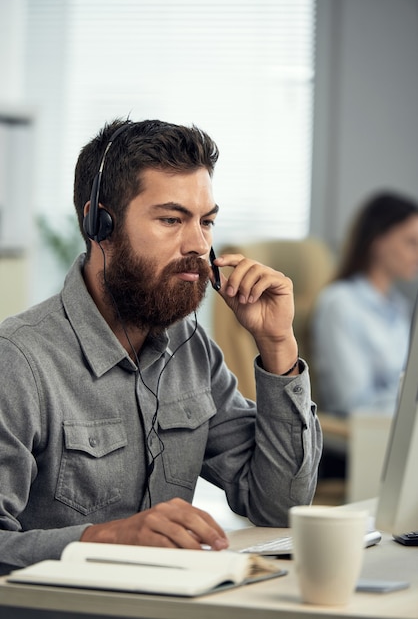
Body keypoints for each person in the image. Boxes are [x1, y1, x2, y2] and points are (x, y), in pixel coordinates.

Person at [0, 119, 321, 574]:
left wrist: (277, 344)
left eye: (206, 221)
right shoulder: (18, 361)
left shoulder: (191, 349)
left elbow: (279, 505)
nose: (198, 245)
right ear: (100, 223)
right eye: (172, 219)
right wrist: (104, 540)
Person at [311, 191, 418, 419]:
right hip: (363, 439)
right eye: (411, 242)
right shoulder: (340, 303)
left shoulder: (398, 306)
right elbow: (353, 402)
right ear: (377, 241)